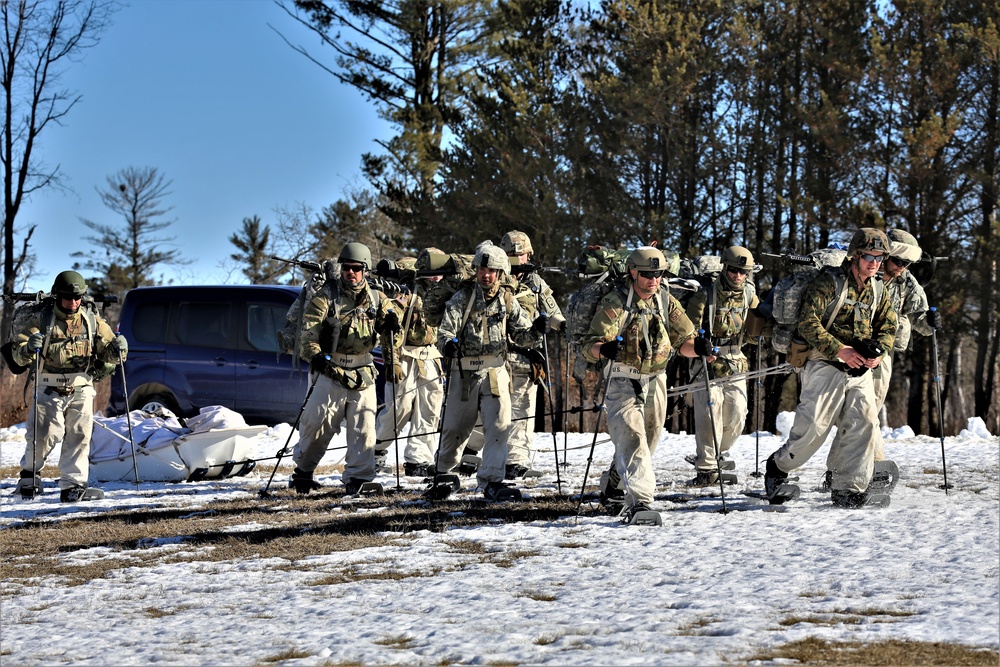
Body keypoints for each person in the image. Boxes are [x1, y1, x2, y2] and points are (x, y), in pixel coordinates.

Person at [765, 228, 898, 508]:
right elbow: (808, 322)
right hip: (825, 362)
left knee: (863, 424)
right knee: (814, 429)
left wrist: (879, 352)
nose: (873, 263)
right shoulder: (830, 282)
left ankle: (847, 487)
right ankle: (778, 467)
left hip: (860, 368)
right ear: (854, 256)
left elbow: (888, 325)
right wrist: (840, 350)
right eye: (867, 257)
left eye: (879, 257)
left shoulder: (878, 288)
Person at [581, 246, 704, 522]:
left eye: (658, 274)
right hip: (622, 380)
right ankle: (641, 503)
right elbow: (588, 344)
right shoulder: (616, 302)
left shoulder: (665, 301)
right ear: (633, 272)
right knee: (633, 439)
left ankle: (614, 482)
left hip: (656, 379)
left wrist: (700, 348)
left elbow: (684, 342)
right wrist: (604, 349)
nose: (653, 280)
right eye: (647, 274)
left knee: (648, 441)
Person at [431, 243, 548, 500]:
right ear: (476, 269)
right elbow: (445, 333)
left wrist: (538, 329)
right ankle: (444, 475)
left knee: (499, 427)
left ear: (501, 272)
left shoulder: (507, 300)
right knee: (455, 428)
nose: (486, 274)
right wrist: (449, 345)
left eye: (492, 270)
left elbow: (522, 336)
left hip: (496, 372)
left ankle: (492, 480)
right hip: (464, 374)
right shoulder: (462, 298)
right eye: (482, 269)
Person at [288, 242, 398, 495]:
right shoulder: (326, 296)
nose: (351, 273)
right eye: (347, 268)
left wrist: (393, 324)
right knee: (317, 425)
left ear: (366, 270)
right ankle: (303, 472)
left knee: (364, 427)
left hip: (362, 370)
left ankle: (359, 478)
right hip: (329, 369)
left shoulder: (377, 298)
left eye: (357, 268)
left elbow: (391, 333)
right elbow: (308, 333)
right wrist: (316, 357)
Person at [11, 270, 126, 502]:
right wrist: (26, 347)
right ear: (57, 296)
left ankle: (72, 487)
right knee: (43, 435)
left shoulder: (91, 321)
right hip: (48, 388)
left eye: (77, 298)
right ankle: (29, 476)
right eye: (67, 297)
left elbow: (108, 352)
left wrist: (118, 349)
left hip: (81, 388)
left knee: (79, 436)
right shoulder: (41, 321)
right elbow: (17, 356)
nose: (72, 303)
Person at [684, 246, 759, 486]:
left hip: (735, 358)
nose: (737, 275)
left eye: (743, 271)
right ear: (725, 268)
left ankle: (719, 451)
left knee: (738, 413)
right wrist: (700, 347)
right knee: (709, 411)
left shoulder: (748, 294)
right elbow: (689, 328)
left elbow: (757, 321)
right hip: (706, 358)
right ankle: (706, 467)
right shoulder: (706, 294)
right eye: (733, 270)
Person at [499, 231, 565, 479]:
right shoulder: (492, 278)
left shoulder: (536, 282)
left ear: (529, 254)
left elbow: (552, 311)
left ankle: (515, 462)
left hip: (526, 358)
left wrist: (561, 325)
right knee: (490, 410)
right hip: (496, 357)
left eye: (522, 254)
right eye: (512, 255)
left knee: (522, 410)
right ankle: (472, 451)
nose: (518, 259)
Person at [373, 255, 445, 477]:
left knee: (429, 408)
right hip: (405, 353)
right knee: (399, 407)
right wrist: (392, 360)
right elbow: (390, 328)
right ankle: (376, 448)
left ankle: (419, 459)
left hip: (431, 355)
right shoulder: (407, 291)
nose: (436, 276)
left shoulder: (445, 292)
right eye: (431, 271)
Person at [875, 229, 935, 428]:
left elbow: (921, 318)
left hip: (882, 352)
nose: (902, 267)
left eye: (907, 263)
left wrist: (931, 321)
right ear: (885, 256)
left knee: (872, 406)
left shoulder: (906, 282)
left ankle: (867, 456)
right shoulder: (864, 272)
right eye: (898, 261)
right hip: (847, 348)